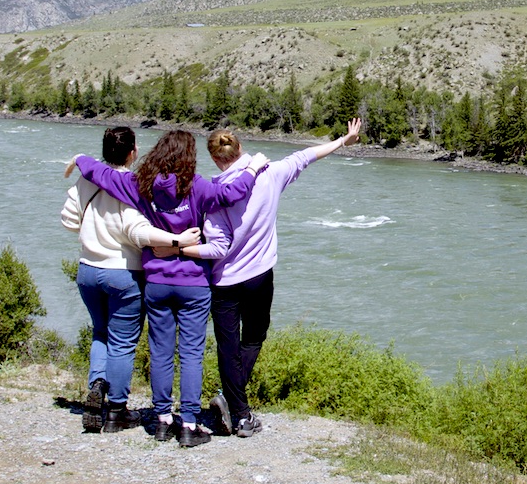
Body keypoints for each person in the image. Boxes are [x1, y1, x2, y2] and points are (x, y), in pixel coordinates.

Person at [72, 130, 255, 447]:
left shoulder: (141, 184)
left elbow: (103, 174)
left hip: (156, 281)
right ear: (189, 156)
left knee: (160, 353)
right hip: (194, 283)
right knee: (191, 355)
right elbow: (232, 193)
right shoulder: (197, 186)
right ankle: (189, 423)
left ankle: (161, 420)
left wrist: (80, 159)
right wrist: (253, 169)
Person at [203, 116, 363, 437]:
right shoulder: (272, 174)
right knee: (254, 337)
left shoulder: (213, 193)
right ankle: (235, 406)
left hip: (223, 281)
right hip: (259, 276)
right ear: (241, 147)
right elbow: (307, 155)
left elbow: (213, 243)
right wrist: (345, 140)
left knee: (227, 346)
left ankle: (236, 408)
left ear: (215, 158)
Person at [61, 125, 200, 433]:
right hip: (124, 272)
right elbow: (137, 232)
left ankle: (97, 383)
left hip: (87, 269)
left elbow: (69, 219)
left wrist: (91, 233)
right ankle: (115, 410)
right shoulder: (134, 186)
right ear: (133, 151)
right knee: (123, 341)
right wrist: (177, 240)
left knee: (100, 333)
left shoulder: (86, 181)